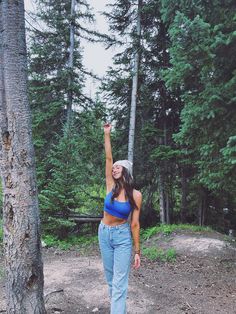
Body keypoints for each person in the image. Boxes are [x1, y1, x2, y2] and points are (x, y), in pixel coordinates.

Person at [98, 123, 142, 314]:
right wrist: (107, 134)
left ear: (125, 171)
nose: (114, 169)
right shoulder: (110, 186)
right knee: (110, 279)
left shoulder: (136, 195)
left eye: (118, 167)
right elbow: (108, 157)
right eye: (113, 167)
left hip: (123, 238)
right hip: (104, 233)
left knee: (119, 282)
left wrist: (138, 250)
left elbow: (135, 223)